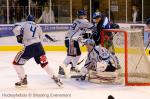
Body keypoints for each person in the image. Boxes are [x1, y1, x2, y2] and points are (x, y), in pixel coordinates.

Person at [12, 15, 63, 87]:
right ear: (34, 20)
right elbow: (40, 39)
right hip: (39, 47)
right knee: (45, 65)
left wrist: (18, 36)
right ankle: (56, 79)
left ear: (27, 20)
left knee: (16, 64)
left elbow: (15, 27)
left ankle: (23, 79)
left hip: (29, 48)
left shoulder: (25, 23)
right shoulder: (38, 26)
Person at [60, 10, 93, 78]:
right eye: (84, 14)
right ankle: (62, 69)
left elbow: (80, 31)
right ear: (82, 15)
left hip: (72, 39)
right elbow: (93, 27)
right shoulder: (83, 21)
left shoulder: (76, 20)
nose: (84, 16)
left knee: (78, 53)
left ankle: (73, 67)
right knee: (71, 55)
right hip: (71, 40)